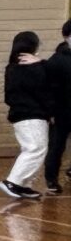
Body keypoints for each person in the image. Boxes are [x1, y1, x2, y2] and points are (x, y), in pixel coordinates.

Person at [0, 32, 53, 201]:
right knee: (36, 148)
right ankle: (12, 182)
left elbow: (8, 96)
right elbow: (46, 91)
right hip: (32, 115)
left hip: (18, 115)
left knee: (31, 148)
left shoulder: (11, 67)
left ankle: (24, 185)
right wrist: (43, 63)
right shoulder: (35, 68)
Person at [44, 19, 71, 195]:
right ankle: (51, 179)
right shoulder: (57, 60)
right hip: (61, 111)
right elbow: (49, 89)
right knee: (56, 146)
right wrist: (51, 112)